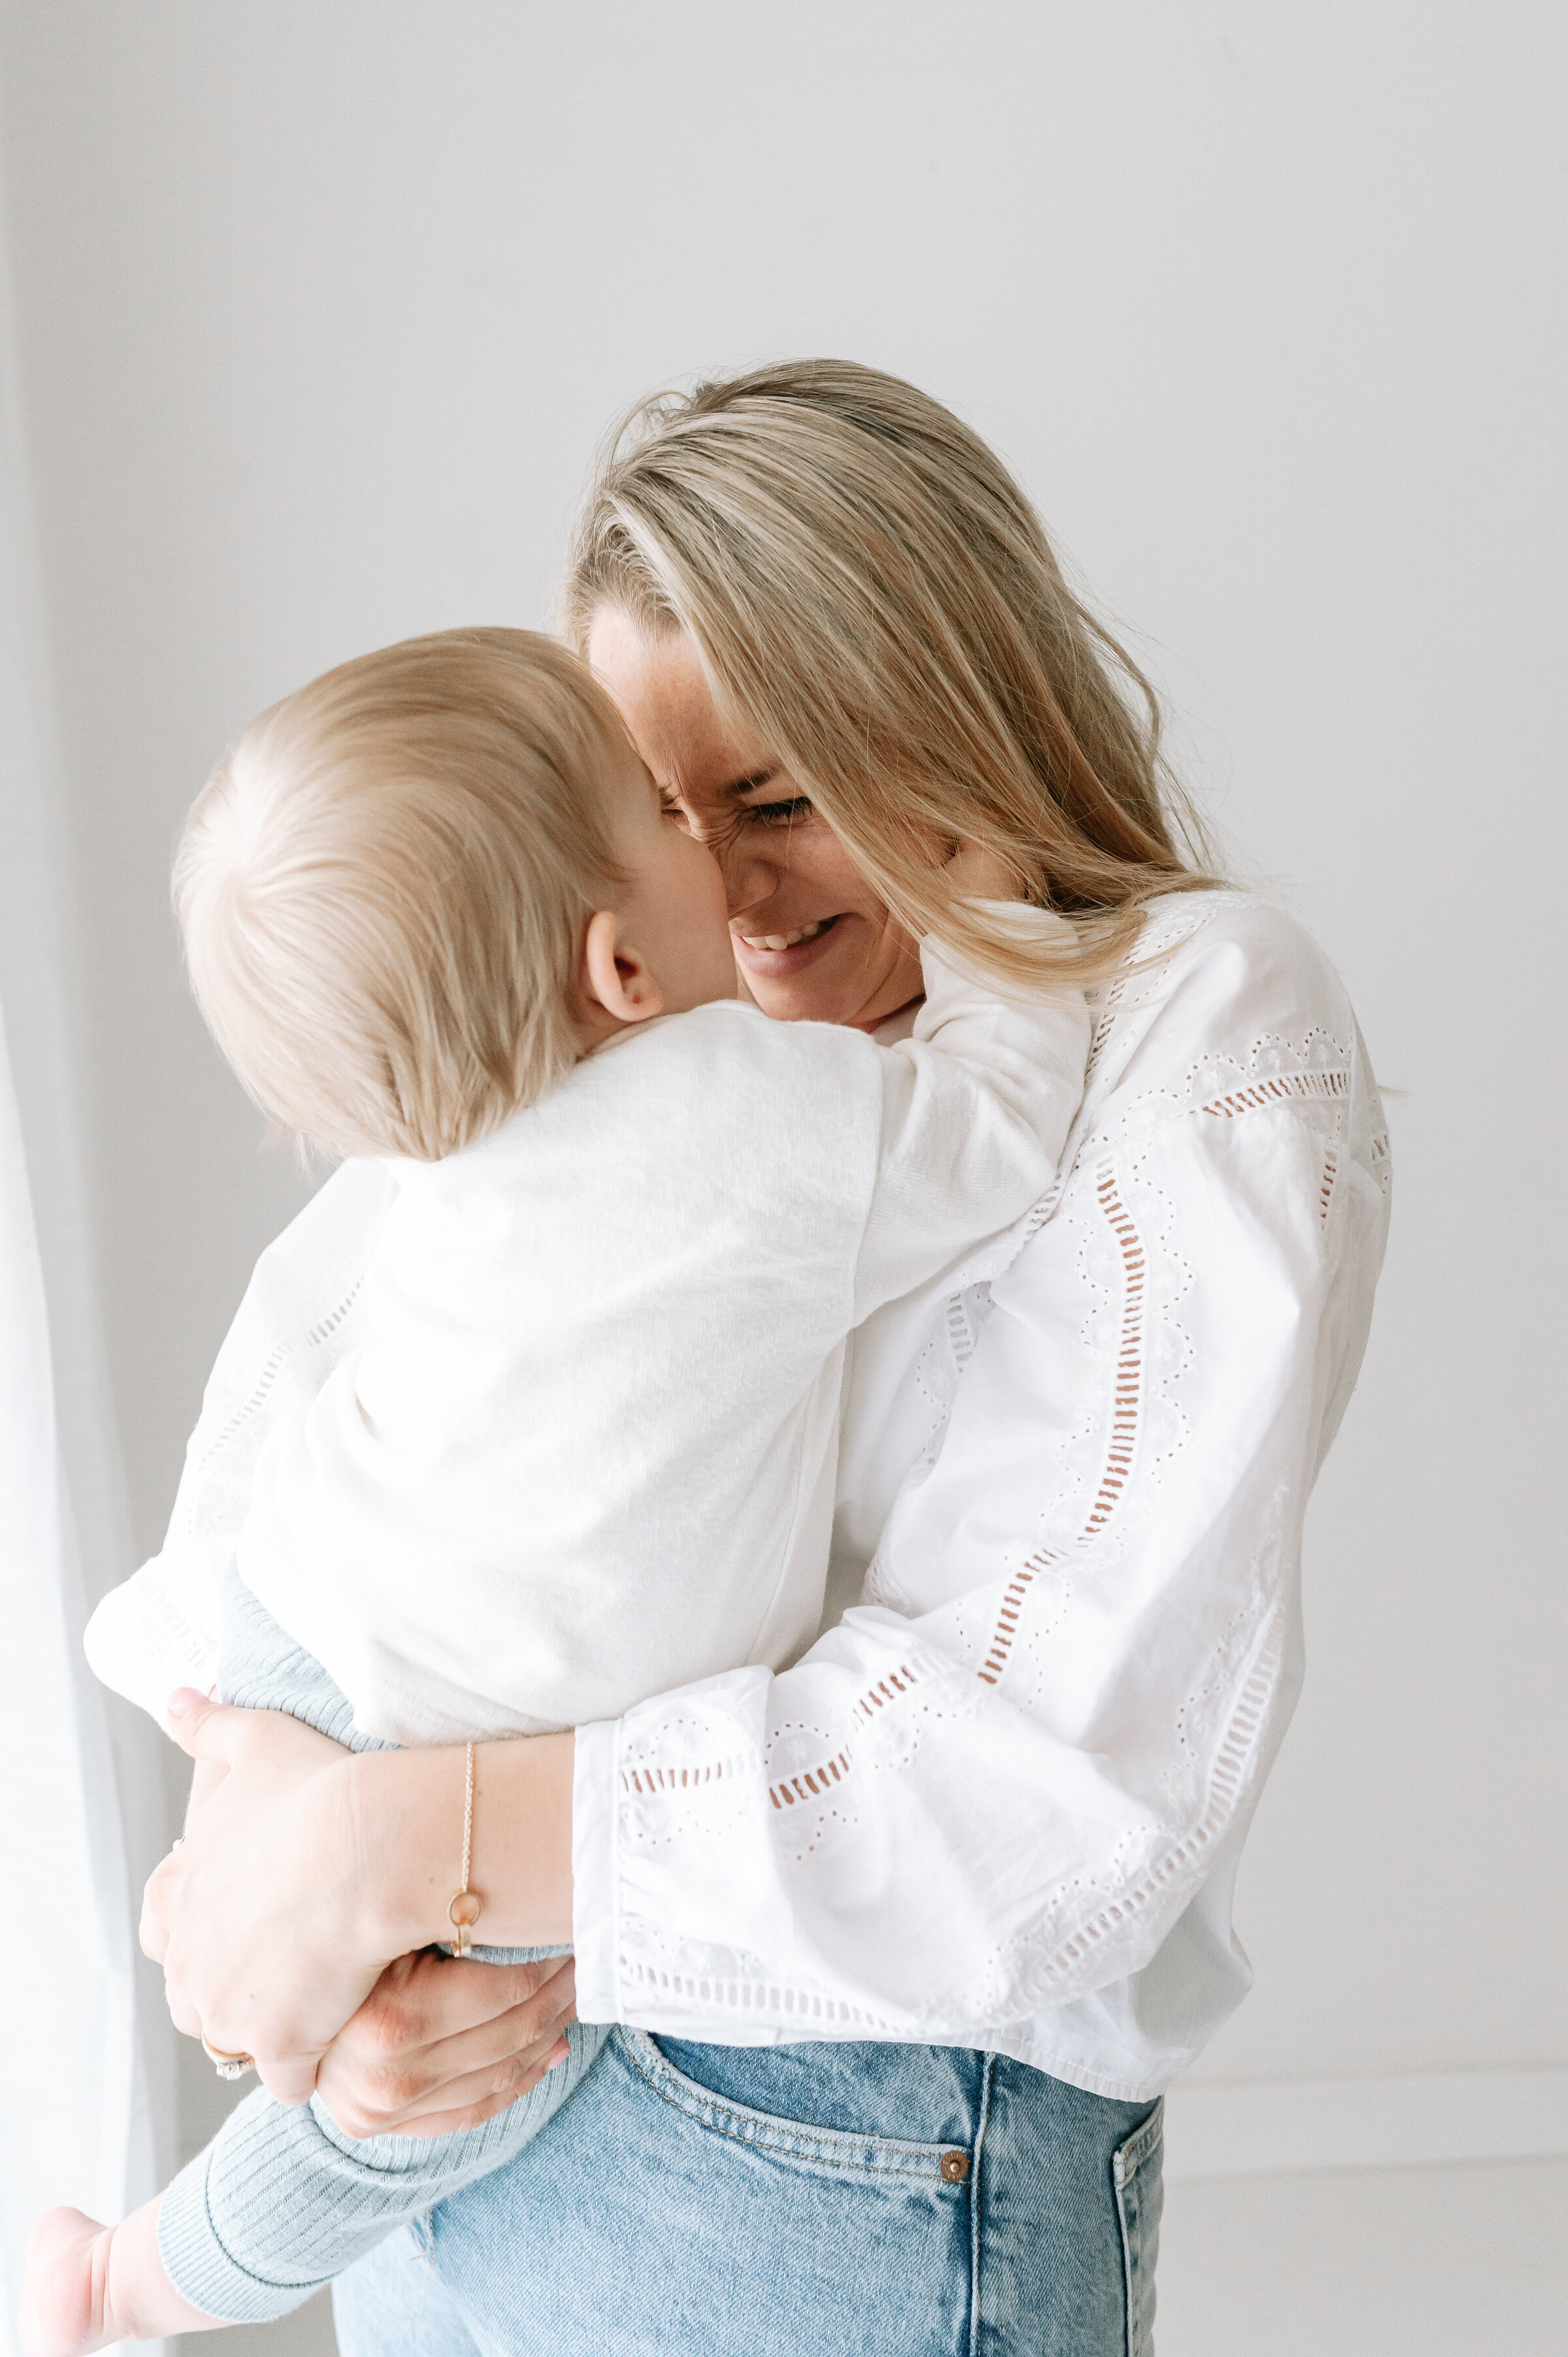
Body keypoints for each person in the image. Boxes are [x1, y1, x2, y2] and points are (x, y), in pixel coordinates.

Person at [131, 362, 1388, 2357]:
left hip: (849, 2168)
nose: (718, 887)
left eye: (784, 801)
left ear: (956, 724)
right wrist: (293, 1852)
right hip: (458, 2099)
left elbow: (1030, 1799)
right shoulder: (611, 1040)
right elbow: (309, 1446)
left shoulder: (1195, 1024)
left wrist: (391, 1847)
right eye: (653, 812)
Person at [22, 625, 1088, 2352]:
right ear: (621, 965)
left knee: (332, 2009)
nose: (725, 867)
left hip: (293, 1631)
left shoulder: (443, 1158)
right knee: (430, 2110)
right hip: (463, 1732)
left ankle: (218, 1919)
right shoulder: (753, 1116)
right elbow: (1002, 1129)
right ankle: (133, 2282)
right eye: (674, 815)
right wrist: (1005, 911)